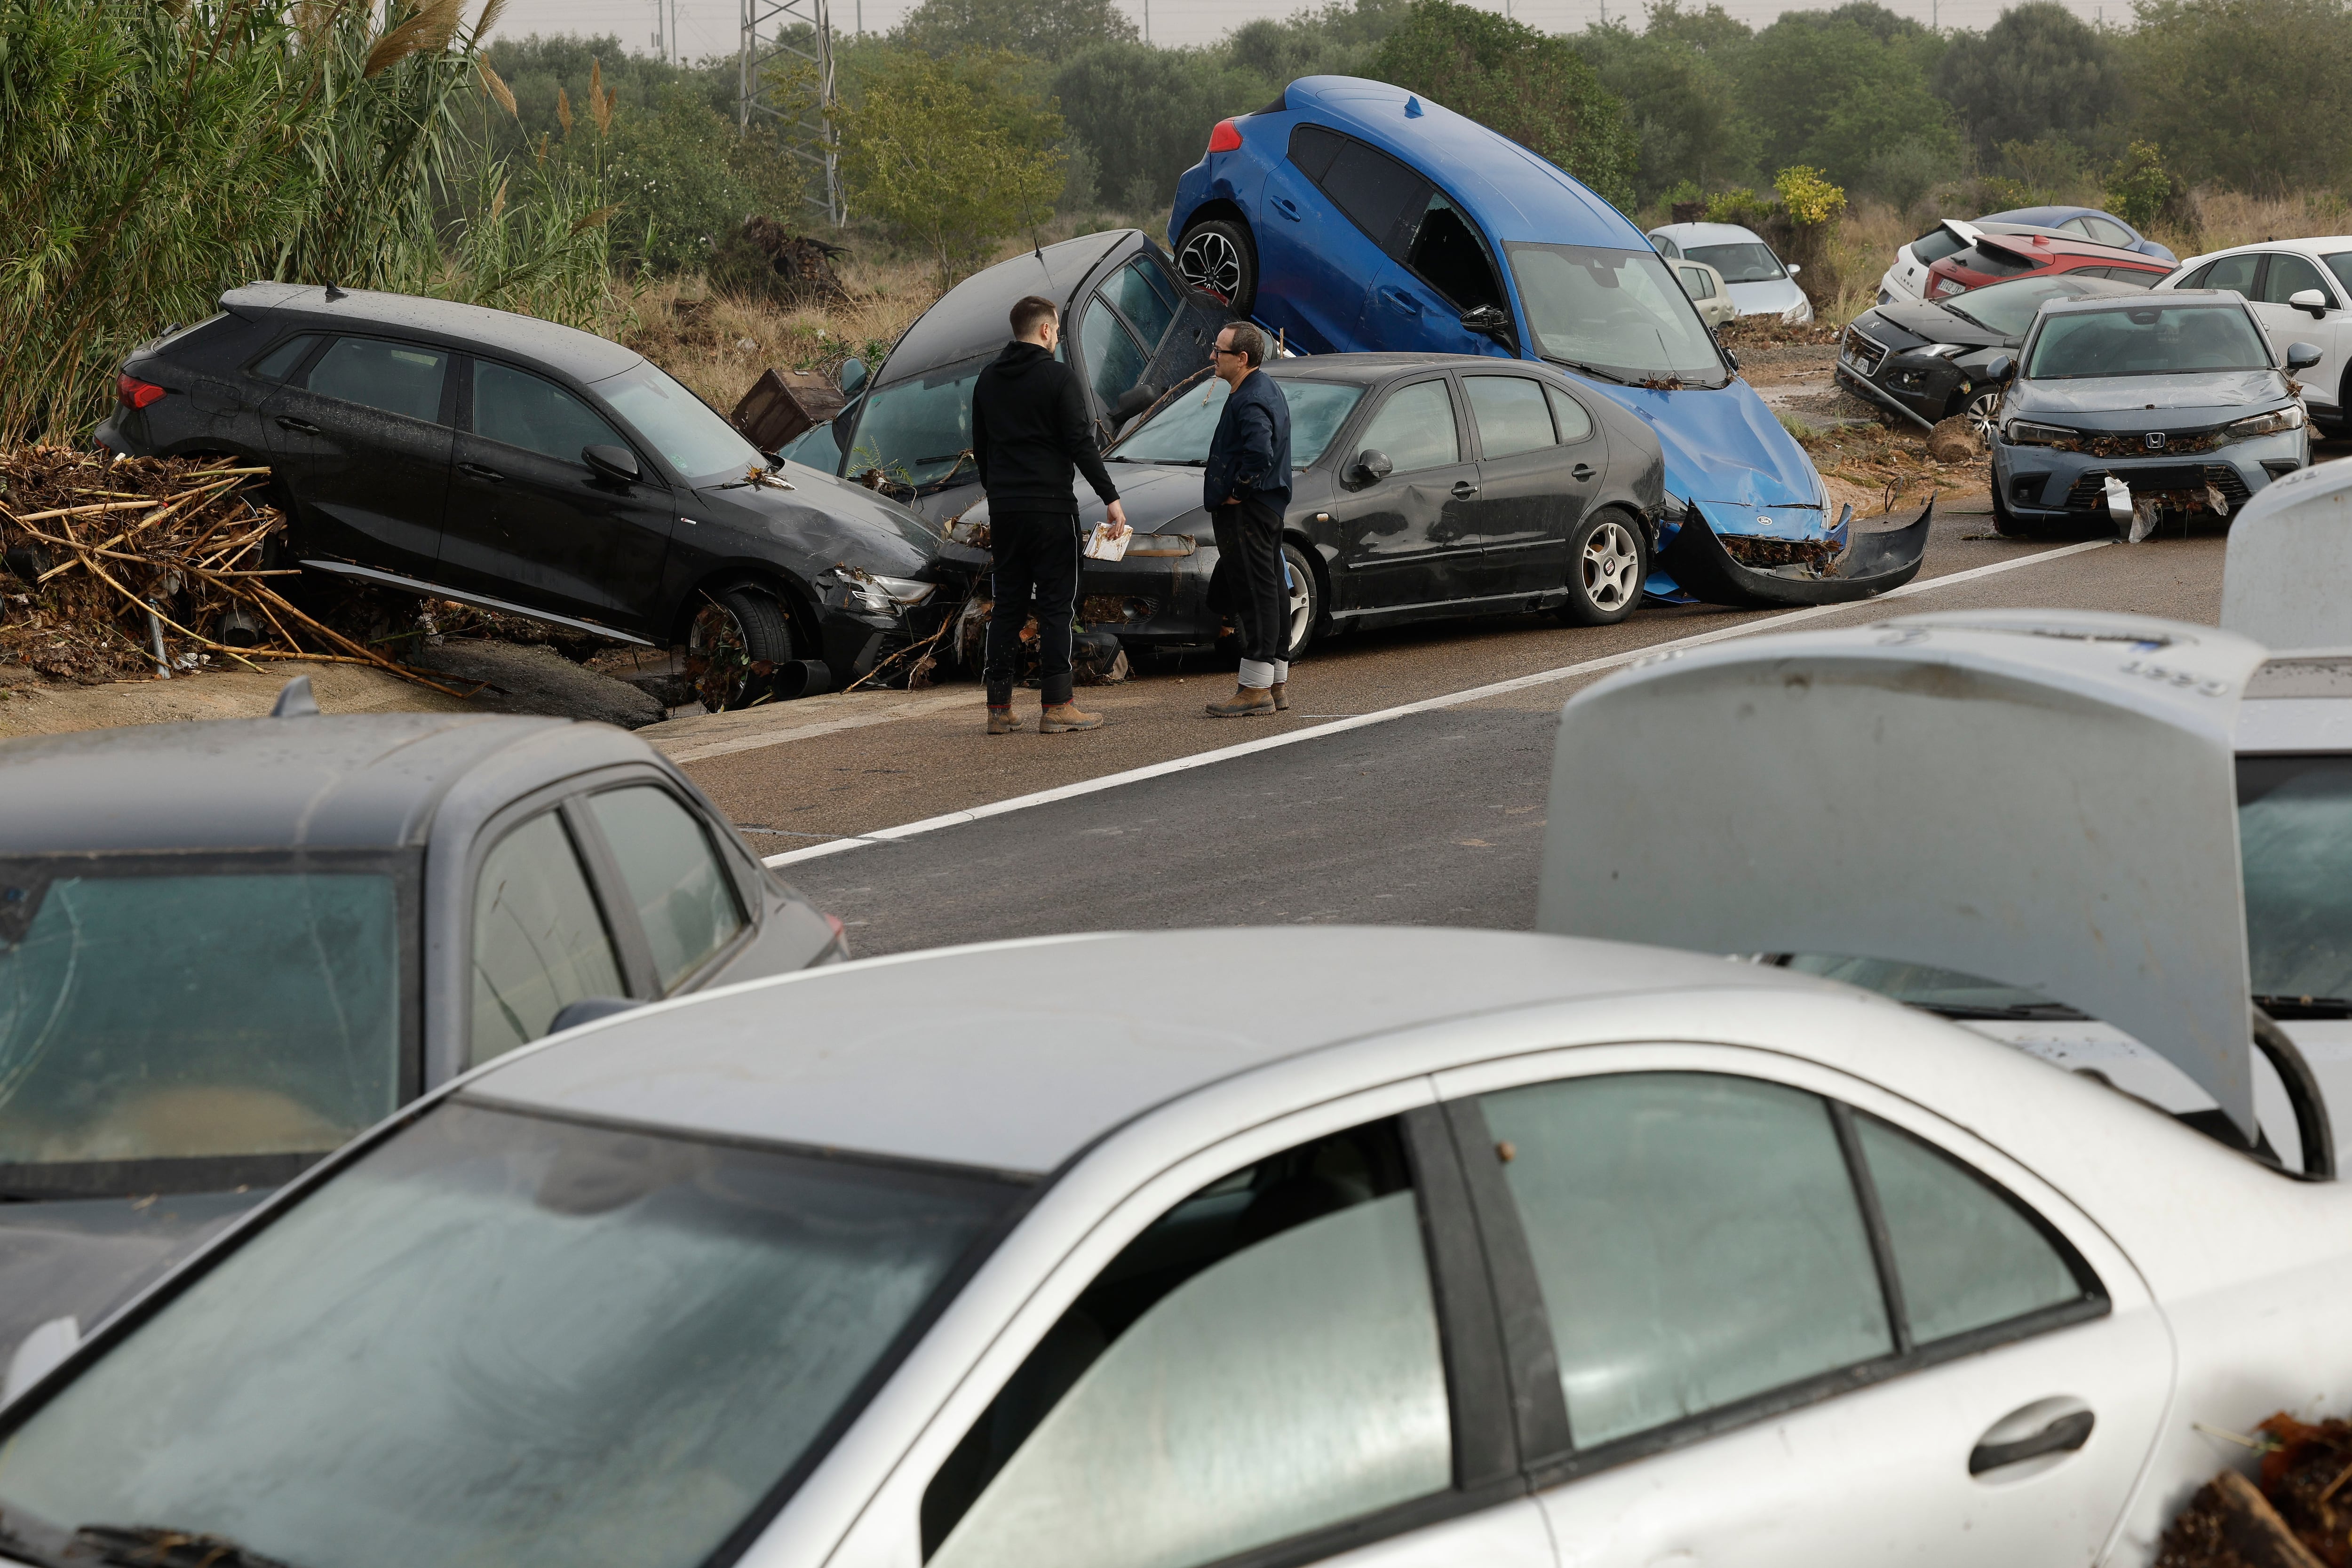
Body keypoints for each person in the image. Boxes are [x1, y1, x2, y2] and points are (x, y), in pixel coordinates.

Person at [970, 294, 1128, 735]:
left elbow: (981, 449)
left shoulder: (987, 380)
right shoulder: (1059, 378)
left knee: (1009, 606)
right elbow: (1081, 444)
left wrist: (999, 492)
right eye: (1057, 330)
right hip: (1051, 509)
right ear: (1044, 330)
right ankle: (1057, 704)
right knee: (1057, 605)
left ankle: (998, 708)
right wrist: (1111, 498)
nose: (1057, 336)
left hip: (1005, 511)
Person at [1201, 322, 1293, 718]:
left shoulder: (1251, 399)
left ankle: (1255, 689)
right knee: (1272, 589)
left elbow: (1260, 451)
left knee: (1256, 595)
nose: (1211, 356)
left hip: (1249, 511)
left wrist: (1239, 491)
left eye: (1219, 351)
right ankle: (1275, 683)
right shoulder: (1264, 388)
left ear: (1242, 359)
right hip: (1266, 507)